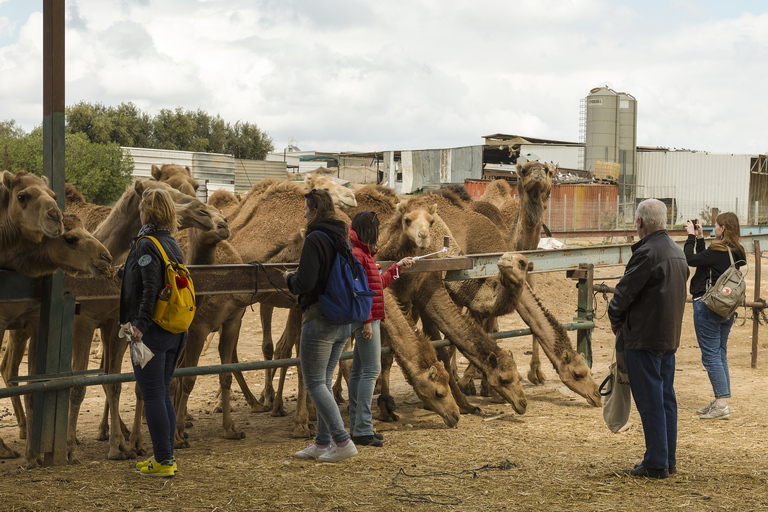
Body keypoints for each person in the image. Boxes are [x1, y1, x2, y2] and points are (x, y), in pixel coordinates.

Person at [608, 199, 689, 479]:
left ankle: (655, 463)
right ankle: (668, 459)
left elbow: (624, 292)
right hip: (668, 338)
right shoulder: (677, 252)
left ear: (640, 222)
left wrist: (614, 317)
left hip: (643, 338)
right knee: (665, 400)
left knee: (650, 402)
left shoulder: (647, 253)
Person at [285, 188, 358, 463]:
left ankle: (342, 441)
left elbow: (305, 282)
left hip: (319, 318)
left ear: (315, 210)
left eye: (306, 208)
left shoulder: (315, 238)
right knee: (324, 382)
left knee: (314, 383)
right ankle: (322, 442)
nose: (303, 213)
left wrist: (289, 279)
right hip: (343, 321)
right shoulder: (342, 237)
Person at [119, 188, 186, 477]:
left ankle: (162, 461)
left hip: (152, 333)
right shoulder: (171, 242)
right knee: (163, 393)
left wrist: (138, 328)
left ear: (147, 211)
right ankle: (166, 457)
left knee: (154, 394)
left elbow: (149, 291)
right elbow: (159, 280)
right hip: (174, 329)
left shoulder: (146, 244)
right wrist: (124, 275)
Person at [347, 211, 413, 447]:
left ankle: (357, 425)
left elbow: (377, 285)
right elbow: (358, 292)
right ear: (368, 230)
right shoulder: (358, 255)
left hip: (367, 318)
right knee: (370, 372)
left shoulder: (362, 254)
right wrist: (366, 322)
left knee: (358, 372)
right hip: (367, 320)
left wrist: (398, 267)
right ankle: (363, 428)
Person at [684, 213, 746, 420]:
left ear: (723, 229)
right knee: (719, 353)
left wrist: (691, 237)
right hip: (726, 306)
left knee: (710, 355)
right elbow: (705, 264)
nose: (714, 228)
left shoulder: (716, 250)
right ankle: (721, 400)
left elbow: (690, 259)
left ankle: (721, 404)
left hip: (707, 305)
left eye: (717, 226)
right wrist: (701, 238)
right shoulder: (737, 251)